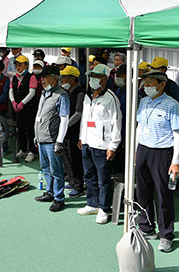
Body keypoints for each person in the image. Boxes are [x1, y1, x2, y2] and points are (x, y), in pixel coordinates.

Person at [136, 70, 179, 253]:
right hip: (143, 150)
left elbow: (177, 134)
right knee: (143, 191)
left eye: (150, 82)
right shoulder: (144, 101)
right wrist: (135, 151)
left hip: (163, 153)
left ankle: (166, 235)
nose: (146, 86)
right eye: (145, 83)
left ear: (162, 84)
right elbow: (139, 127)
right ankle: (147, 227)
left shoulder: (172, 105)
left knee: (163, 195)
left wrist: (176, 161)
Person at [77, 64, 121, 224]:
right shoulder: (88, 96)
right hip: (88, 142)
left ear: (105, 79)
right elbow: (85, 119)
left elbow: (117, 123)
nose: (92, 79)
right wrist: (82, 137)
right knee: (88, 175)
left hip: (103, 145)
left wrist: (113, 146)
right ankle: (92, 203)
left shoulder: (111, 98)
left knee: (103, 179)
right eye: (91, 75)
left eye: (96, 76)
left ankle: (104, 208)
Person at [34, 64, 70, 212]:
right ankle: (49, 192)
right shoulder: (44, 94)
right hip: (42, 138)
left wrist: (59, 141)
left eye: (45, 77)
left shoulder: (61, 95)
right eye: (41, 77)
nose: (42, 80)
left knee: (56, 171)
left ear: (55, 78)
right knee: (45, 168)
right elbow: (39, 115)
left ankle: (59, 198)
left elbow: (65, 119)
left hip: (52, 140)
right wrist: (36, 136)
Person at [60, 65, 85, 197]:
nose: (62, 79)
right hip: (67, 131)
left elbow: (78, 113)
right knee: (66, 157)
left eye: (64, 77)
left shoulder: (80, 93)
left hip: (74, 131)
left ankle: (78, 185)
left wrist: (65, 125)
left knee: (75, 159)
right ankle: (71, 180)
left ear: (73, 79)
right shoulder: (67, 92)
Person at [11, 55, 39, 163]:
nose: (18, 67)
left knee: (30, 130)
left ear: (26, 65)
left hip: (29, 108)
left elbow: (32, 93)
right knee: (20, 129)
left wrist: (22, 103)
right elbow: (11, 90)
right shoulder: (14, 77)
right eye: (16, 65)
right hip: (18, 109)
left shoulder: (31, 77)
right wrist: (13, 101)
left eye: (20, 64)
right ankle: (23, 149)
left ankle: (32, 151)